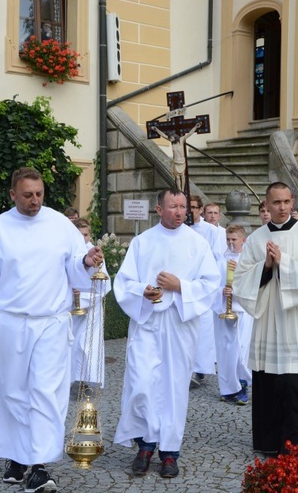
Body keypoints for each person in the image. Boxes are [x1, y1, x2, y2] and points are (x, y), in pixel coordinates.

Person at [0, 168, 103, 492]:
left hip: (51, 323)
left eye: (39, 194)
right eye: (28, 195)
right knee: (12, 393)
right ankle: (19, 457)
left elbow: (76, 262)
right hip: (10, 322)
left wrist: (87, 261)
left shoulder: (60, 225)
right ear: (13, 195)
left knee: (46, 393)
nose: (35, 201)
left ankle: (41, 466)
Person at [113, 188, 220, 479]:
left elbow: (211, 283)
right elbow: (123, 283)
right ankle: (145, 444)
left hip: (179, 325)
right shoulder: (142, 242)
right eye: (173, 206)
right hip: (147, 323)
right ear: (159, 210)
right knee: (142, 383)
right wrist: (142, 291)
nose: (179, 211)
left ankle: (170, 452)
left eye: (183, 206)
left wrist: (180, 286)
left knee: (174, 388)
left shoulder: (197, 244)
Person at [233, 182, 298, 456]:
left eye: (285, 202)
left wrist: (284, 262)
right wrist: (266, 266)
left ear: (292, 201)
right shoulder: (256, 239)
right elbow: (242, 281)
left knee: (297, 382)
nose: (281, 208)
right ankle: (271, 441)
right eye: (275, 203)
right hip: (269, 319)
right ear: (266, 205)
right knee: (272, 381)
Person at [188, 195, 227, 387]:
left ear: (200, 209)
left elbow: (217, 256)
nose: (191, 211)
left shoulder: (210, 231)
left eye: (195, 207)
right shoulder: (182, 228)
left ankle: (200, 369)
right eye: (189, 207)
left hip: (201, 284)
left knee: (202, 329)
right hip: (184, 285)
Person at [212, 225, 252, 405]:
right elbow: (211, 284)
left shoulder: (249, 262)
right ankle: (228, 388)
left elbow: (254, 286)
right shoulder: (220, 261)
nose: (230, 242)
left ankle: (243, 385)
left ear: (243, 240)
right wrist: (222, 291)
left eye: (234, 239)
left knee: (240, 349)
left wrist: (236, 290)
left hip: (243, 311)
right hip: (223, 311)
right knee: (225, 350)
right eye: (228, 239)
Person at [70, 218, 111, 389]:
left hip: (91, 310)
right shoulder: (69, 253)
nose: (83, 239)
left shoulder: (95, 254)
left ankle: (86, 380)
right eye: (79, 235)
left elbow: (103, 286)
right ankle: (69, 379)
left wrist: (82, 298)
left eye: (86, 235)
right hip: (70, 310)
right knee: (71, 345)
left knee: (85, 346)